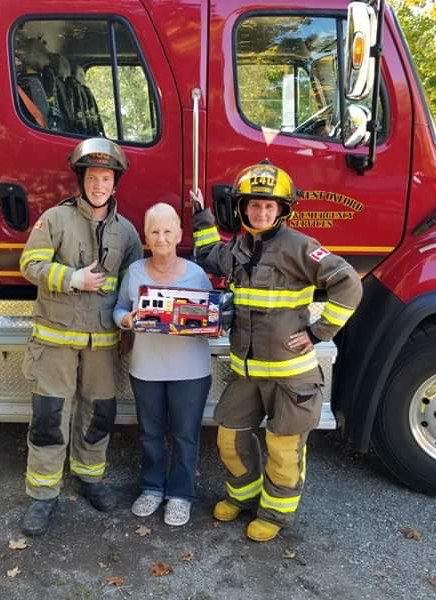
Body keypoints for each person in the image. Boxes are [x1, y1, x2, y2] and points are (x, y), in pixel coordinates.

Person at [191, 161, 362, 542]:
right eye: (254, 205)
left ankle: (275, 513)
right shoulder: (237, 247)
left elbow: (348, 284)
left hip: (291, 376)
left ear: (283, 210)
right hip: (247, 374)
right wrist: (201, 217)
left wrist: (319, 332)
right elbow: (208, 256)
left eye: (270, 206)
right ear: (242, 208)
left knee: (283, 450)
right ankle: (244, 498)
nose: (261, 212)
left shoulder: (300, 247)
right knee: (230, 440)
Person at [19, 137, 143, 536]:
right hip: (55, 340)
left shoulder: (127, 232)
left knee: (98, 416)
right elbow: (30, 264)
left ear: (115, 182)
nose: (99, 185)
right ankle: (42, 496)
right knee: (50, 419)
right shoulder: (54, 219)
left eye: (106, 178)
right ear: (81, 180)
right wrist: (73, 279)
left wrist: (130, 324)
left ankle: (90, 478)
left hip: (102, 344)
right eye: (92, 177)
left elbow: (133, 283)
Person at [114, 203, 212, 526]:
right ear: (146, 235)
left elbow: (213, 316)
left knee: (185, 436)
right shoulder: (135, 272)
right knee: (150, 434)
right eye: (154, 231)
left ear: (179, 235)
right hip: (146, 369)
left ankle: (181, 495)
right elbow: (118, 310)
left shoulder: (197, 274)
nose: (161, 238)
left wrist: (211, 321)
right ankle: (152, 488)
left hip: (191, 372)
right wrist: (127, 319)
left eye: (167, 231)